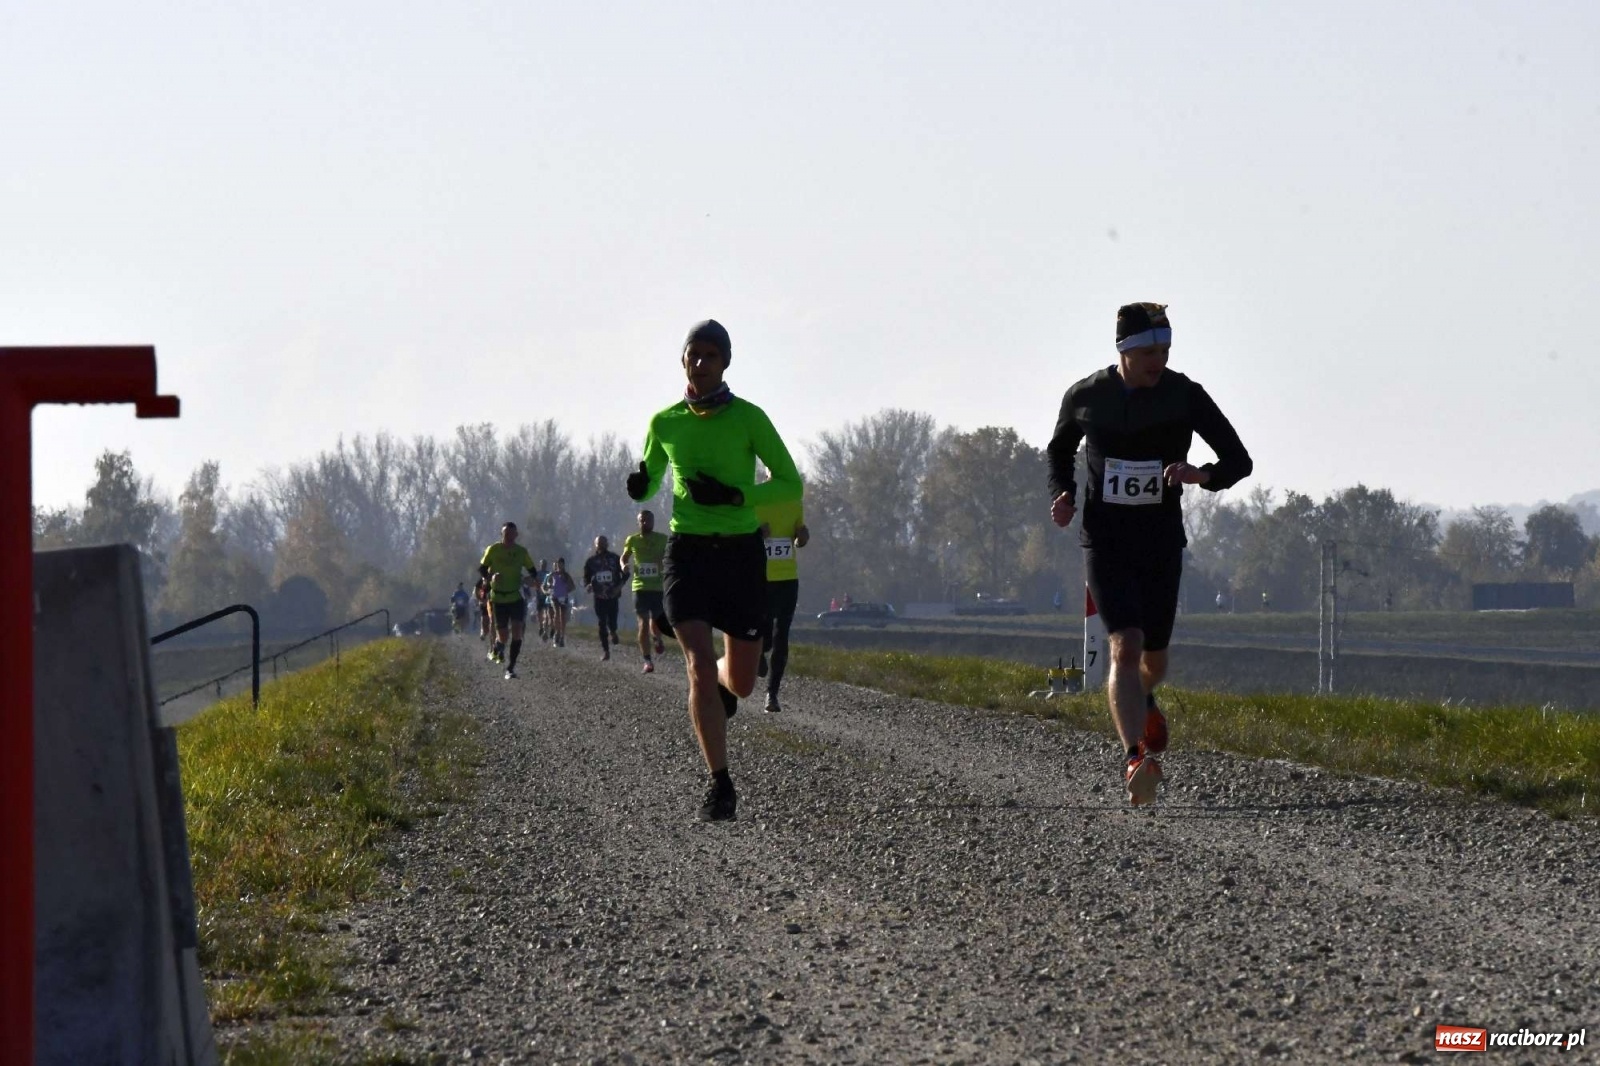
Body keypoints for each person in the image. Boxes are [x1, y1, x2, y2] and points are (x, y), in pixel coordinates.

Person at [1047, 302, 1252, 806]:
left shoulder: (1184, 395)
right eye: (1147, 352)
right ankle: (1136, 755)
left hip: (1160, 542)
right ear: (1123, 351)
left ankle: (1146, 699)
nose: (1158, 360)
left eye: (1165, 350)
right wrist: (1064, 492)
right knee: (1125, 645)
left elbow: (1239, 461)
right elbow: (1059, 448)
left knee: (1153, 660)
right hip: (1106, 541)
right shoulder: (1087, 396)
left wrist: (1200, 475)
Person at [625, 318, 802, 821]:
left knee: (741, 684)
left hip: (741, 555)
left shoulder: (749, 419)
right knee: (698, 666)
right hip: (688, 555)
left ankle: (726, 685)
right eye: (693, 355)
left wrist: (736, 495)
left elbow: (790, 484)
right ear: (682, 360)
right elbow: (649, 478)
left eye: (710, 356)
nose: (700, 363)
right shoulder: (665, 423)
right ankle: (719, 784)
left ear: (725, 363)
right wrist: (639, 483)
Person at [756, 492, 808, 713]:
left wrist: (802, 537)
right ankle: (758, 653)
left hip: (787, 580)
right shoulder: (756, 499)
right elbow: (738, 536)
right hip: (760, 579)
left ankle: (772, 694)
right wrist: (756, 534)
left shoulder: (794, 503)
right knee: (765, 637)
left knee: (781, 636)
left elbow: (799, 538)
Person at [479, 522, 541, 680]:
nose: (509, 537)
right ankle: (498, 646)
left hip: (515, 596)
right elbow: (482, 569)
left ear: (516, 535)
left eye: (511, 534)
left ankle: (510, 667)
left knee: (517, 632)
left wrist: (535, 581)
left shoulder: (521, 552)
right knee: (504, 635)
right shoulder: (493, 549)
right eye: (506, 534)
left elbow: (532, 570)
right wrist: (490, 577)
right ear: (502, 535)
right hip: (498, 598)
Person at [621, 509, 671, 673]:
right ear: (638, 522)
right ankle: (647, 661)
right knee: (642, 623)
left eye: (648, 520)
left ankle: (657, 638)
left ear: (653, 522)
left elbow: (670, 557)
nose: (645, 523)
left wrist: (664, 563)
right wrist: (624, 566)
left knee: (656, 621)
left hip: (657, 587)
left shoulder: (662, 539)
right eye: (642, 520)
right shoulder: (632, 540)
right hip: (640, 587)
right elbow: (624, 557)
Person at [583, 536, 626, 660]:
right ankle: (605, 650)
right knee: (601, 623)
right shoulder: (591, 562)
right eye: (598, 543)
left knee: (612, 621)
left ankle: (613, 631)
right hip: (599, 596)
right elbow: (586, 578)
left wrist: (619, 586)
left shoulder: (615, 558)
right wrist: (588, 586)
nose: (601, 545)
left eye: (603, 543)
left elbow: (625, 574)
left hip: (612, 595)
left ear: (607, 544)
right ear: (595, 545)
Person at [547, 557, 577, 647]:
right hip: (555, 597)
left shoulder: (566, 575)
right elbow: (548, 582)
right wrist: (550, 586)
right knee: (556, 614)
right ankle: (557, 633)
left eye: (561, 564)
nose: (559, 566)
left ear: (563, 565)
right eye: (558, 564)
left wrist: (567, 590)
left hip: (563, 597)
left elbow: (573, 586)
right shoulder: (553, 574)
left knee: (563, 617)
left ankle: (562, 636)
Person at [474, 576, 492, 641]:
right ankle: (483, 632)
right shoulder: (482, 579)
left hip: (495, 602)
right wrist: (481, 599)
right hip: (485, 603)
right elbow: (476, 589)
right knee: (485, 622)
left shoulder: (497, 577)